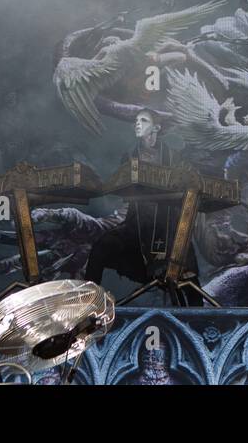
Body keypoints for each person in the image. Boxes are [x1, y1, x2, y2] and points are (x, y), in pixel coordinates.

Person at [81, 109, 204, 304]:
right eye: (136, 121)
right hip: (137, 225)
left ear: (156, 127)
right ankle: (88, 305)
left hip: (169, 226)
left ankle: (199, 322)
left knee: (186, 270)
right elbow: (124, 187)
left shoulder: (175, 158)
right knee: (102, 247)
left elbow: (191, 184)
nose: (137, 124)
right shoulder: (130, 156)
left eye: (144, 120)